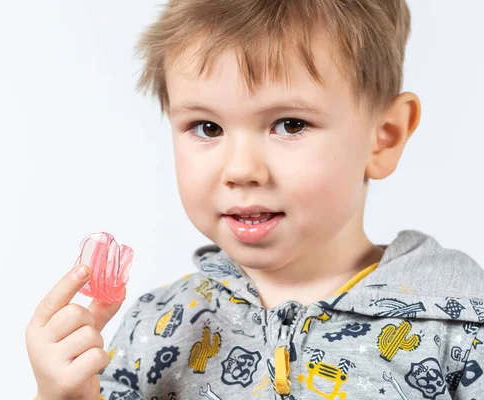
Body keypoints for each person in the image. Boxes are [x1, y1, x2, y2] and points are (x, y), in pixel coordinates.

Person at [26, 1, 484, 399]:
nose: (241, 169)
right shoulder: (156, 328)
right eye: (207, 128)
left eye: (289, 124)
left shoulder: (459, 326)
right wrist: (63, 396)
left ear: (383, 137)